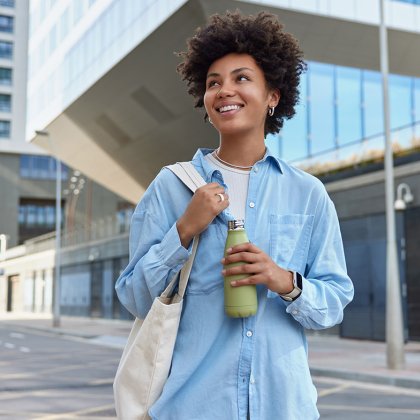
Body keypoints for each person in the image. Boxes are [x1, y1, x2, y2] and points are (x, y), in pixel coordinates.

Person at [116, 10, 354, 420]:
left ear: (273, 96)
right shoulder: (172, 186)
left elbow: (333, 302)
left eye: (241, 78)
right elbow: (134, 296)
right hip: (192, 407)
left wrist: (282, 280)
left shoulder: (308, 193)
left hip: (284, 408)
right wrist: (184, 231)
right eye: (213, 83)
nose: (224, 90)